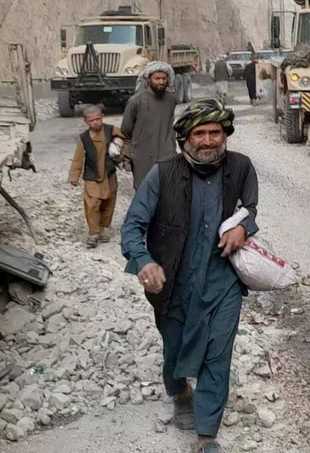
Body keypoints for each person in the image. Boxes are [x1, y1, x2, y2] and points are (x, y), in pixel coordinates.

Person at [120, 99, 258, 453]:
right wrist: (144, 261)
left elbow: (250, 210)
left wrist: (243, 228)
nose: (208, 141)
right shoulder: (163, 173)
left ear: (225, 135)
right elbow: (132, 227)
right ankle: (179, 390)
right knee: (175, 348)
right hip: (174, 282)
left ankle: (206, 435)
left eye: (215, 132)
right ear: (185, 138)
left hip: (222, 280)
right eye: (200, 133)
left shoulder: (241, 167)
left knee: (218, 353)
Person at [67, 105, 123, 247]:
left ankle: (102, 228)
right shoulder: (84, 138)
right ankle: (94, 232)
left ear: (102, 117)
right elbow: (78, 158)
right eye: (91, 120)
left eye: (98, 119)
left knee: (109, 202)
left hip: (109, 175)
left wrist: (118, 145)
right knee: (92, 204)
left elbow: (126, 137)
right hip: (92, 176)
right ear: (86, 121)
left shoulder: (111, 130)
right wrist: (74, 176)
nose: (95, 122)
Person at [121, 61, 179, 190]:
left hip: (167, 154)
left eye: (164, 78)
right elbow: (126, 129)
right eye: (157, 78)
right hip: (142, 156)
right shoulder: (136, 101)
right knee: (144, 191)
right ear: (148, 79)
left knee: (168, 190)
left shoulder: (171, 100)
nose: (161, 82)